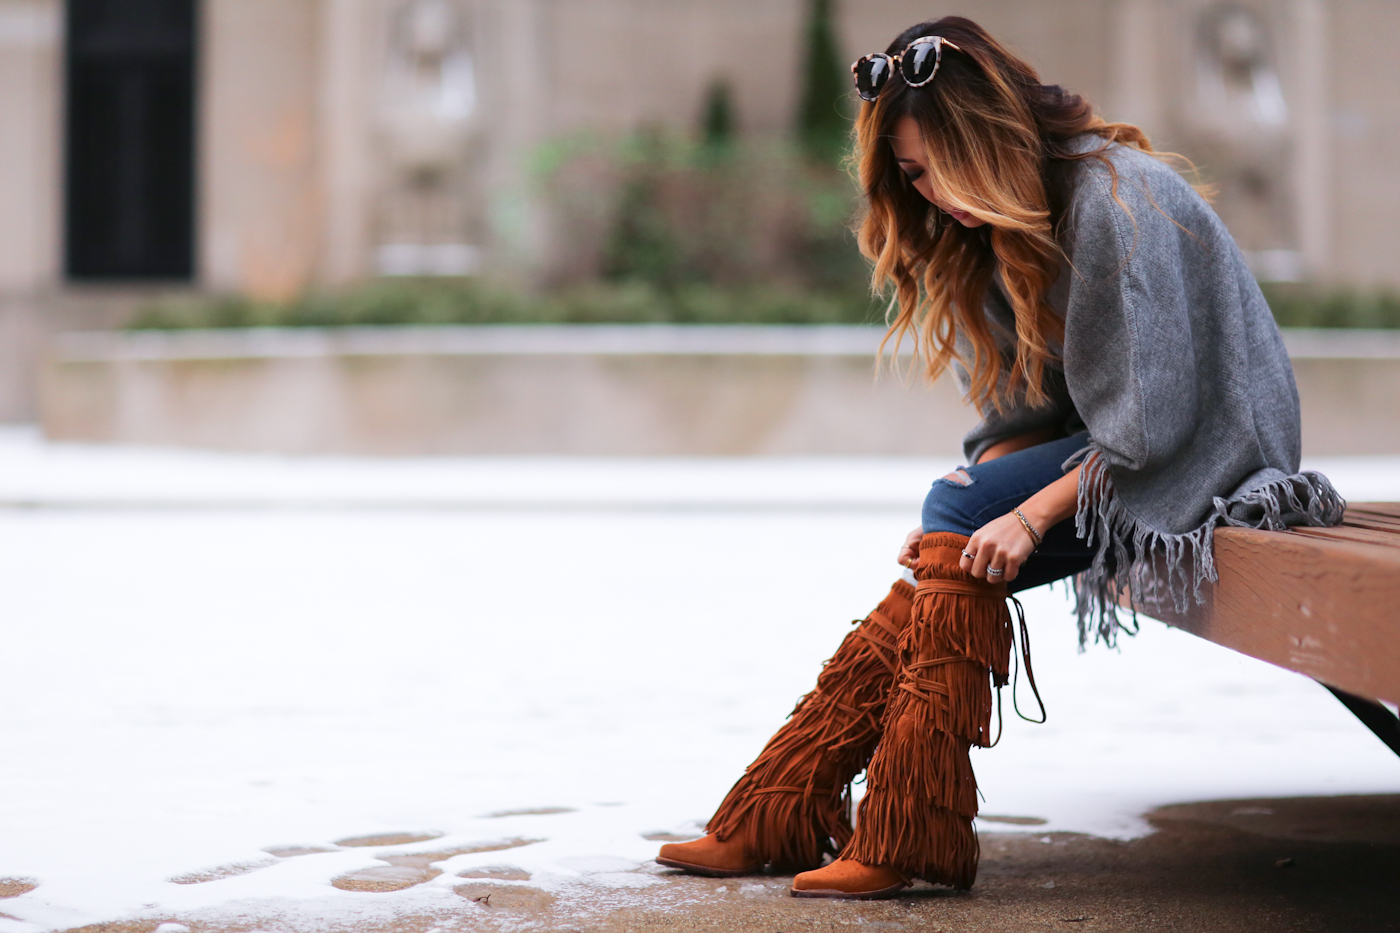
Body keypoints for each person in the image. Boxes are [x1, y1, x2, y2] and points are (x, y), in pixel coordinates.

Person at [655, 15, 1343, 900]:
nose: (931, 193)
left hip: (1217, 456)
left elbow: (1155, 420)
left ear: (986, 140)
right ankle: (835, 820)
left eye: (939, 167)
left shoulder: (1114, 202)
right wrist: (978, 493)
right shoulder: (1009, 215)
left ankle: (835, 820)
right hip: (1125, 449)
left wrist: (1023, 512)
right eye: (909, 175)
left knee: (962, 524)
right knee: (951, 531)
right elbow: (1034, 405)